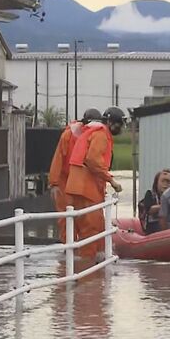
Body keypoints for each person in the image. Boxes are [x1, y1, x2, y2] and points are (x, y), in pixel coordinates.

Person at [64, 106, 125, 259]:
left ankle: (91, 264)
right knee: (90, 228)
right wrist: (111, 180)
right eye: (119, 123)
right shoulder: (101, 134)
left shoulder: (94, 132)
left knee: (93, 226)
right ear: (111, 122)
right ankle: (87, 269)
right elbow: (93, 160)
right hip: (86, 188)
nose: (121, 128)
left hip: (83, 186)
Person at [48, 108, 101, 243]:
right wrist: (54, 183)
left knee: (86, 217)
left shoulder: (93, 136)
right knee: (66, 218)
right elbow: (58, 158)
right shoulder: (68, 136)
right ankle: (69, 248)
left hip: (80, 181)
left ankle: (85, 249)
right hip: (64, 181)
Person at [138, 169, 170, 234]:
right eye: (163, 181)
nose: (165, 184)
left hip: (169, 222)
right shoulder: (150, 194)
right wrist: (162, 206)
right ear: (157, 182)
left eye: (168, 182)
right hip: (153, 224)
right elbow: (148, 210)